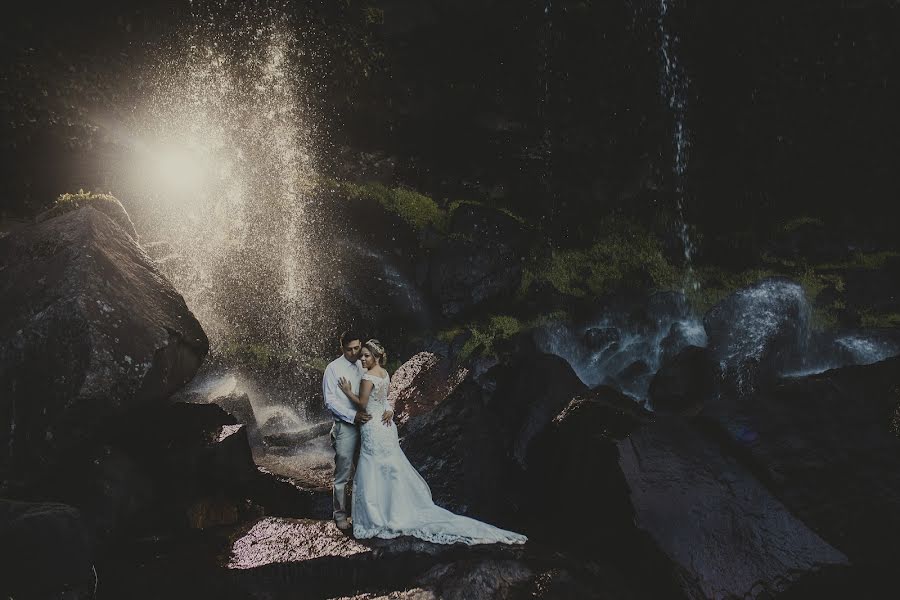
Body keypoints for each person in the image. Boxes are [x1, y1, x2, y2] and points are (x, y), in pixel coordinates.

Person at [338, 339, 527, 545]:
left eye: (366, 355)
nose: (362, 358)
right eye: (362, 355)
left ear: (376, 357)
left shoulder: (367, 378)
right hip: (386, 427)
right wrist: (390, 409)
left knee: (372, 467)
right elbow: (387, 399)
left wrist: (347, 391)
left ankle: (378, 516)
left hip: (373, 426)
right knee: (391, 468)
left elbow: (362, 404)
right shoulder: (384, 373)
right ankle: (394, 510)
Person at [323, 330, 372, 530]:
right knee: (343, 472)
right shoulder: (333, 369)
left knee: (366, 471)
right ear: (341, 348)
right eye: (349, 349)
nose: (353, 352)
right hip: (345, 427)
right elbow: (330, 401)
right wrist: (352, 416)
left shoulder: (365, 364)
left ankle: (364, 514)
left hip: (367, 425)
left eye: (357, 348)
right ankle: (340, 515)